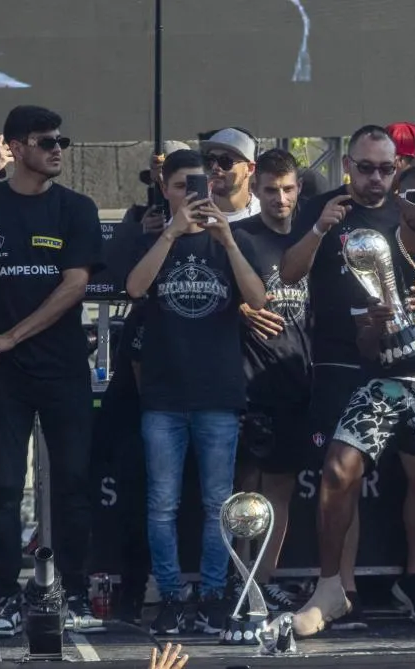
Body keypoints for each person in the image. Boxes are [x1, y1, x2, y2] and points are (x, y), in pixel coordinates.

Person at [291, 164, 415, 638]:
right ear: (399, 199)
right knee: (338, 469)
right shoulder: (374, 247)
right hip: (386, 377)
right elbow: (365, 345)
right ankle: (329, 590)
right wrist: (375, 324)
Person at [0, 106, 105, 637]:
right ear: (14, 147)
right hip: (1, 377)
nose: (58, 148)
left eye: (63, 139)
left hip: (62, 370)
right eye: (45, 141)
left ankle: (75, 591)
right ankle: (8, 596)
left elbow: (75, 285)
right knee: (2, 487)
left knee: (75, 484)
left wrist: (11, 336)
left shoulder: (75, 208)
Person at [126, 149, 267, 636]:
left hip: (218, 395)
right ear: (166, 188)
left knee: (217, 505)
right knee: (162, 503)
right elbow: (134, 287)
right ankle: (170, 596)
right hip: (164, 397)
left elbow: (258, 298)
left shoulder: (235, 238)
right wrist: (169, 232)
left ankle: (211, 594)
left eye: (200, 184)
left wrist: (226, 239)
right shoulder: (155, 240)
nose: (194, 194)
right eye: (183, 185)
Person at [231, 148, 310, 612]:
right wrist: (241, 310)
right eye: (270, 190)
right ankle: (237, 580)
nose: (280, 198)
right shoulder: (241, 237)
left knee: (280, 488)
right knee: (244, 488)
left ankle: (264, 579)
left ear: (299, 189)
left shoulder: (310, 237)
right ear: (255, 190)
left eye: (288, 189)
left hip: (296, 378)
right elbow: (220, 296)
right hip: (247, 382)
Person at [201, 128, 262, 222]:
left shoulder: (264, 213)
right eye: (211, 160)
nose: (215, 167)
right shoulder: (195, 212)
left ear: (250, 168)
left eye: (225, 161)